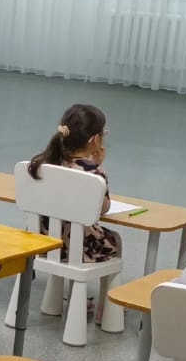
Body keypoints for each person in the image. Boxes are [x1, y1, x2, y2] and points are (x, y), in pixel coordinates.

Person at [25, 103, 122, 266]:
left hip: (41, 241)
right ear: (95, 140)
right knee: (114, 240)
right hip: (76, 248)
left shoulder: (43, 166)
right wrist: (96, 167)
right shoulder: (95, 175)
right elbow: (103, 209)